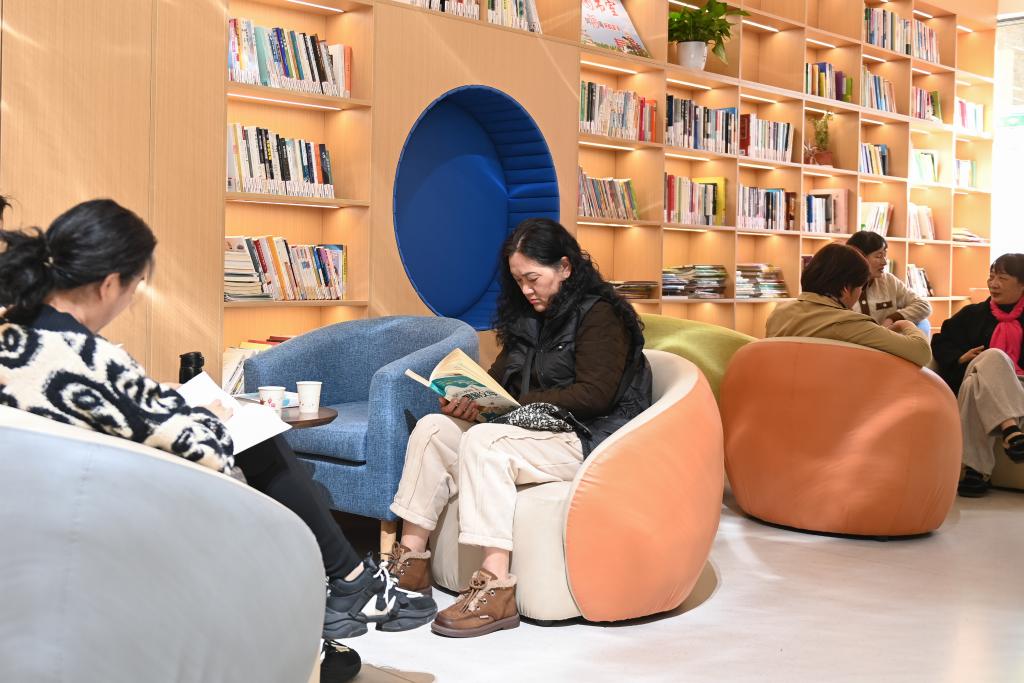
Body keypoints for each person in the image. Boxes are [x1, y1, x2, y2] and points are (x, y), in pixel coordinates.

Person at [0, 198, 435, 682]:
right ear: (108, 284)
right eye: (134, 288)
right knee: (253, 431)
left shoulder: (15, 339)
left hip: (53, 516)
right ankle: (352, 581)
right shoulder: (93, 359)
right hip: (134, 519)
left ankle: (351, 580)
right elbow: (201, 447)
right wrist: (210, 416)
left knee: (252, 433)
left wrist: (163, 399)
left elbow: (114, 410)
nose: (129, 302)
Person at [385, 217, 652, 638]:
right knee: (434, 428)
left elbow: (595, 395)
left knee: (486, 442)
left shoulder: (601, 315)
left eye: (533, 278)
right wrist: (469, 402)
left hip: (584, 437)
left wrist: (515, 408)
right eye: (518, 280)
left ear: (565, 267)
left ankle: (495, 586)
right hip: (528, 432)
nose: (526, 290)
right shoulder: (527, 319)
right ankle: (409, 566)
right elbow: (497, 385)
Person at [931, 254, 1024, 498]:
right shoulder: (972, 314)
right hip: (983, 387)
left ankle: (976, 471)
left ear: (1022, 284)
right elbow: (940, 342)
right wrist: (960, 357)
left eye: (1002, 278)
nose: (994, 284)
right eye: (991, 277)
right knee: (991, 358)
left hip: (1019, 388)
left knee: (974, 383)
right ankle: (1011, 430)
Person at [766, 243, 932, 367]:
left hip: (777, 396)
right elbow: (922, 353)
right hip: (836, 398)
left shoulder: (778, 313)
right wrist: (905, 324)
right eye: (860, 287)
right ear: (846, 289)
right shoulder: (849, 323)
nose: (860, 292)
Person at [846, 231, 932, 333]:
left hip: (888, 340)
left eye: (885, 255)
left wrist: (892, 318)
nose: (885, 262)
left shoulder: (888, 280)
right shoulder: (840, 286)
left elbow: (923, 305)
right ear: (859, 257)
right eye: (878, 256)